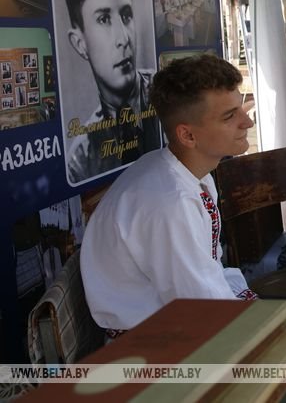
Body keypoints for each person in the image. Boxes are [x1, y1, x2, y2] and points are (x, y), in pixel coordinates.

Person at [81, 54, 258, 334]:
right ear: (188, 136)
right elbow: (203, 310)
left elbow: (206, 277)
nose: (247, 123)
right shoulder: (169, 203)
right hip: (155, 343)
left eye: (240, 108)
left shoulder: (179, 171)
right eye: (229, 116)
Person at [62, 0, 161, 184]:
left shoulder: (171, 99)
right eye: (104, 19)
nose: (123, 38)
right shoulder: (81, 160)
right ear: (80, 43)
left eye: (126, 15)